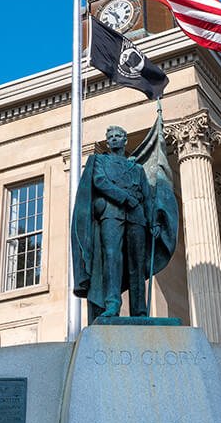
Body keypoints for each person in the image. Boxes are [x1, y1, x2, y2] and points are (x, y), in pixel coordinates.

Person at [71, 122, 177, 322]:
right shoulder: (99, 161)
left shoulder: (136, 168)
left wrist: (153, 221)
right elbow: (99, 182)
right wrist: (124, 197)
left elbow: (146, 195)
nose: (113, 139)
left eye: (117, 136)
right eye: (110, 137)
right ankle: (112, 305)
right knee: (112, 259)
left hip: (137, 217)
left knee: (136, 263)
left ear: (125, 140)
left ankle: (139, 310)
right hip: (111, 214)